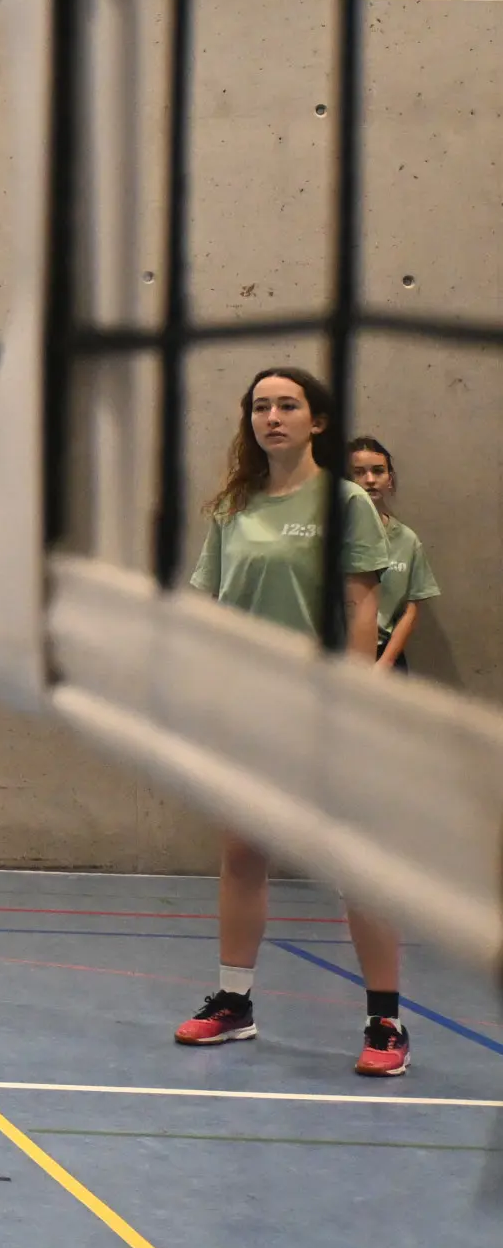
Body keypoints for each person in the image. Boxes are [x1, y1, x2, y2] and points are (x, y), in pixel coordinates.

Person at [176, 369, 408, 1078]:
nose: (271, 416)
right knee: (244, 853)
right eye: (260, 406)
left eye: (287, 405)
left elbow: (362, 608)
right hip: (247, 709)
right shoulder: (233, 506)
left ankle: (386, 1022)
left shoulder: (345, 503)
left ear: (317, 421)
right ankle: (234, 1002)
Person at [344, 436, 441, 676]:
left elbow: (411, 609)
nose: (369, 480)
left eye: (378, 471)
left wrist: (384, 664)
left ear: (390, 480)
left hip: (385, 658)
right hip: (335, 654)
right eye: (358, 472)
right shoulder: (328, 535)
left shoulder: (407, 540)